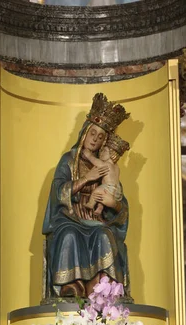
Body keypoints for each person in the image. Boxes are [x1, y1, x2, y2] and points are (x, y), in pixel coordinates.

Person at [42, 93, 131, 299]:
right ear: (84, 133)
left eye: (101, 137)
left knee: (104, 236)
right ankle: (71, 286)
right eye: (93, 134)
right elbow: (57, 190)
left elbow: (119, 201)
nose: (95, 140)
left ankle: (100, 288)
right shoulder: (69, 160)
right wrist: (85, 179)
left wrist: (114, 205)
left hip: (97, 219)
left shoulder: (107, 166)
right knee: (69, 236)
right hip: (70, 217)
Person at [83, 132, 130, 217]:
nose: (101, 153)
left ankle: (90, 204)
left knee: (96, 193)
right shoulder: (116, 167)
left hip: (107, 187)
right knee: (102, 199)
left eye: (104, 151)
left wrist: (88, 155)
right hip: (117, 191)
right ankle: (100, 208)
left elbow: (95, 161)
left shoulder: (105, 164)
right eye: (92, 134)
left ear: (112, 155)